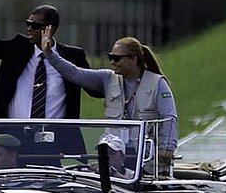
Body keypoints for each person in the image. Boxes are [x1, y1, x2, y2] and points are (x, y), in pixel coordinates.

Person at [41, 30, 178, 170]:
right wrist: (50, 55)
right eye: (110, 57)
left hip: (144, 157)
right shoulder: (107, 78)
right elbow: (75, 73)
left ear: (133, 59)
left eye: (117, 58)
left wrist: (167, 148)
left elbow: (169, 117)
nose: (112, 62)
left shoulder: (157, 83)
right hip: (114, 156)